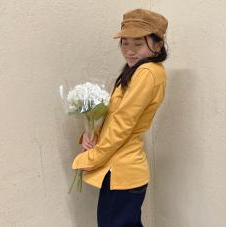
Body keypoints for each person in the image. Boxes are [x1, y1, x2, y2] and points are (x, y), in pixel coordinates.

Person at [72, 8, 168, 227]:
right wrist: (92, 135)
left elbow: (123, 124)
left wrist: (91, 158)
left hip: (123, 172)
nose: (130, 51)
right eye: (125, 43)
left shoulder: (147, 73)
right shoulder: (136, 71)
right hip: (121, 172)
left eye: (138, 44)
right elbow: (116, 117)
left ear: (158, 45)